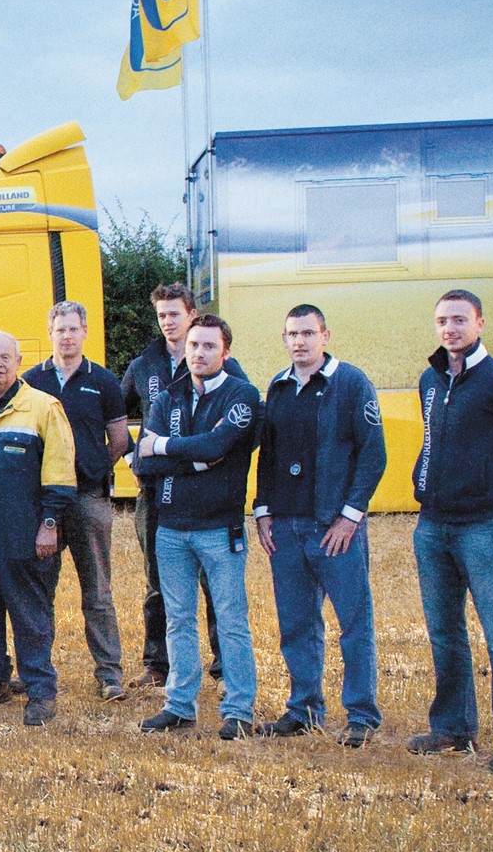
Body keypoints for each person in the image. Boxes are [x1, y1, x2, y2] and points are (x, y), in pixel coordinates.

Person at [407, 289, 493, 776]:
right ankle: (452, 727)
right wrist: (420, 479)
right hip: (432, 526)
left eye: (460, 320)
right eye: (443, 320)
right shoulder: (430, 379)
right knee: (445, 633)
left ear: (480, 324)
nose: (451, 328)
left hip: (484, 526)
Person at [251, 305, 388, 747]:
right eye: (292, 334)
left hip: (333, 528)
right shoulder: (278, 386)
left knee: (354, 623)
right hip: (286, 527)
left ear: (326, 335)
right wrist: (263, 510)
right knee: (296, 624)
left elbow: (373, 455)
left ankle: (362, 716)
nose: (300, 342)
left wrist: (351, 516)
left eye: (308, 333)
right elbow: (267, 455)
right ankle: (304, 709)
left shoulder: (351, 383)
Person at [133, 315, 263, 740]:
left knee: (230, 619)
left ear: (225, 351)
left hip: (218, 528)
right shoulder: (169, 396)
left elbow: (217, 445)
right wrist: (198, 460)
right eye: (193, 345)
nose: (199, 353)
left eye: (209, 346)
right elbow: (142, 460)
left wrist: (169, 448)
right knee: (178, 619)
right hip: (170, 529)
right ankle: (179, 706)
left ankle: (239, 710)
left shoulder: (241, 396)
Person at [118, 283, 243, 687]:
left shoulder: (229, 370)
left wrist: (173, 454)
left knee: (212, 582)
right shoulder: (143, 366)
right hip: (154, 493)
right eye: (161, 316)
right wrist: (133, 459)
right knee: (158, 578)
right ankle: (158, 664)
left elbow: (230, 440)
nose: (168, 322)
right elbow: (119, 423)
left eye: (174, 314)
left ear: (192, 314)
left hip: (207, 499)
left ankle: (224, 666)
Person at [0, 331, 77, 726]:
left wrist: (50, 525)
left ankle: (40, 690)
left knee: (29, 611)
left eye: (6, 357)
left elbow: (60, 474)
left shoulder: (43, 407)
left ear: (19, 362)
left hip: (23, 528)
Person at [22, 300, 130, 701]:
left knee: (98, 592)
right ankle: (34, 669)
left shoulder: (102, 381)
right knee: (38, 590)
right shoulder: (31, 380)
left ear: (84, 332)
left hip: (88, 500)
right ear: (49, 332)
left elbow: (118, 440)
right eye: (59, 329)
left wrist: (94, 466)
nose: (66, 336)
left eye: (73, 328)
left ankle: (109, 674)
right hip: (43, 504)